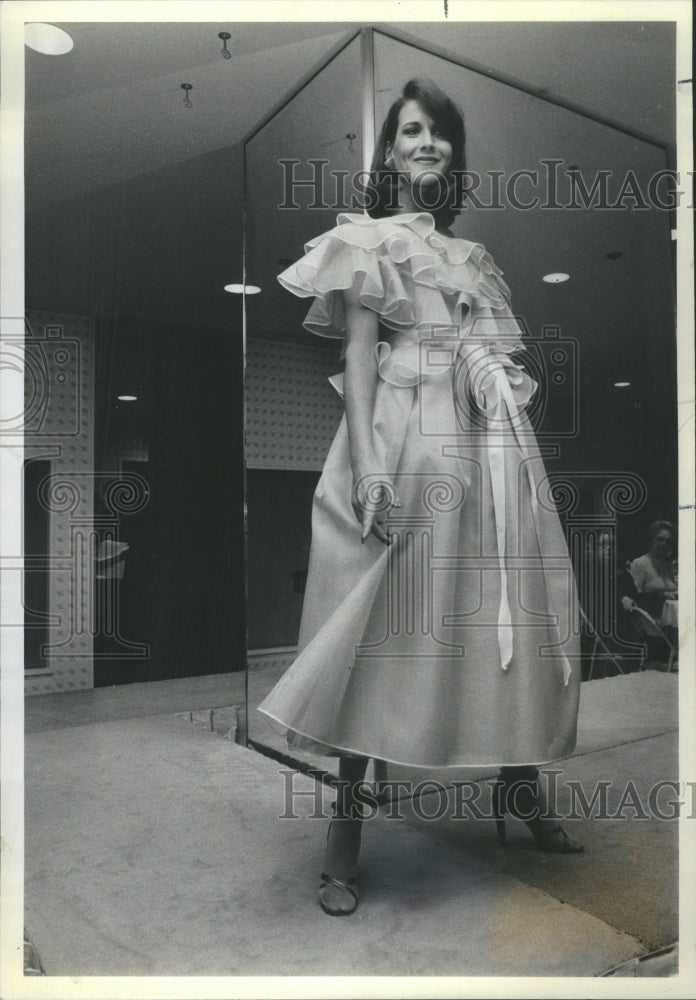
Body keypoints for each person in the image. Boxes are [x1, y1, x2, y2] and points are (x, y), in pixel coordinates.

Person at [258, 79, 583, 917]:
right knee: (378, 625)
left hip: (480, 441)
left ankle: (517, 784)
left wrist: (494, 374)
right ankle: (345, 828)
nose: (427, 142)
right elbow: (361, 361)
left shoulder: (473, 258)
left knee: (496, 603)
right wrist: (368, 466)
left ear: (451, 152)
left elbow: (495, 352)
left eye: (439, 131)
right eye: (412, 130)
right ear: (391, 152)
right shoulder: (366, 240)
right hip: (404, 435)